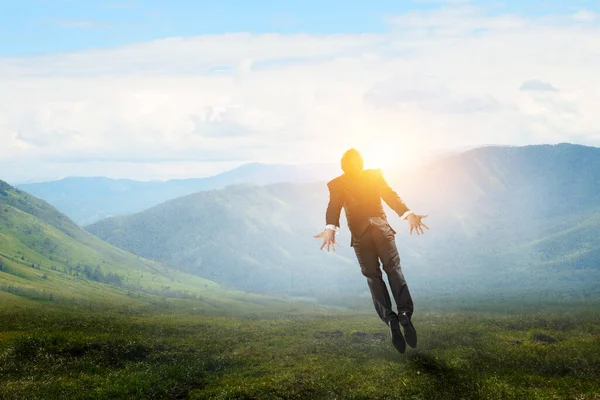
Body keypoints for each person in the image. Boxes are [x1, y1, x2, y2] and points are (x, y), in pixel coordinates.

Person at [314, 148, 429, 354]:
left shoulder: (337, 184)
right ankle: (404, 313)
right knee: (394, 270)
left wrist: (330, 229)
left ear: (343, 167)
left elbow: (333, 208)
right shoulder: (374, 175)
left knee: (373, 277)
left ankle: (390, 318)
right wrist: (408, 214)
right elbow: (390, 196)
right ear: (362, 164)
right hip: (382, 230)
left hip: (360, 236)